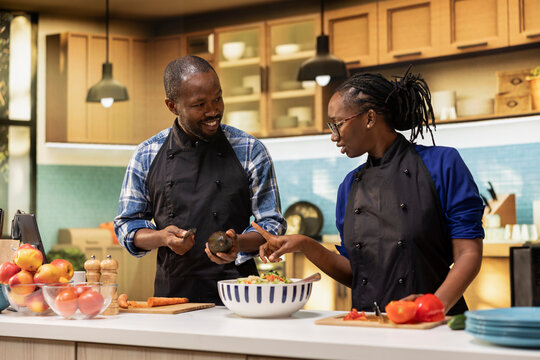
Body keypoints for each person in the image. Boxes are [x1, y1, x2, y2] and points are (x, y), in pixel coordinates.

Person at [253, 69, 484, 315]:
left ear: (370, 118)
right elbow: (358, 272)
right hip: (370, 324)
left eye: (337, 124)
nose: (333, 136)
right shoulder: (348, 187)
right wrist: (304, 244)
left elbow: (468, 253)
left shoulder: (442, 164)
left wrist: (431, 309)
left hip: (436, 323)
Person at [114, 55, 286, 304]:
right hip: (173, 296)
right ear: (172, 106)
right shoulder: (146, 154)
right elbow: (126, 225)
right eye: (200, 104)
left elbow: (271, 224)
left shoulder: (250, 149)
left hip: (240, 294)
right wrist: (162, 237)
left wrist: (239, 243)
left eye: (218, 98)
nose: (213, 111)